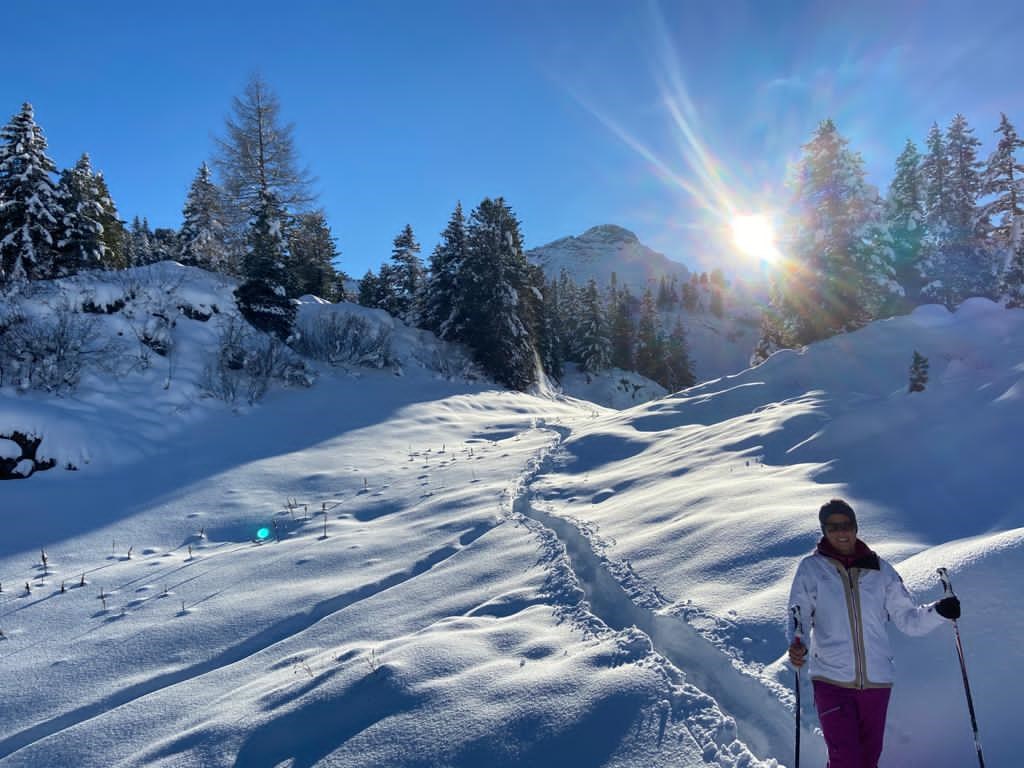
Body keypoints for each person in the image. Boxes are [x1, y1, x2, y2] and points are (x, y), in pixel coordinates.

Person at [787, 499, 961, 768]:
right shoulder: (812, 569)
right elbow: (798, 614)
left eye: (846, 525)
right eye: (833, 527)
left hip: (877, 683)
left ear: (856, 527)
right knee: (847, 759)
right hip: (831, 679)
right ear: (823, 531)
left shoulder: (881, 571)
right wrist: (798, 644)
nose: (841, 532)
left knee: (868, 761)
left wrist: (940, 611)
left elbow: (908, 620)